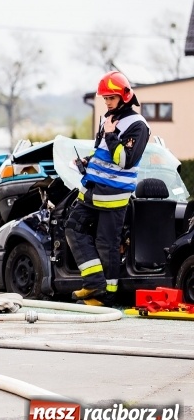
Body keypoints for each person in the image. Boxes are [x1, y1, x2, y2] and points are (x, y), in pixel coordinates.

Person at [65, 71, 150, 307]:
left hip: (114, 197)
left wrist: (112, 135)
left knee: (107, 244)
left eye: (111, 98)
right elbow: (102, 153)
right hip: (92, 192)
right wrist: (86, 161)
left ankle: (106, 296)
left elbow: (125, 160)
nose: (107, 103)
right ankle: (94, 283)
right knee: (72, 228)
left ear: (124, 97)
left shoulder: (138, 126)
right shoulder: (107, 120)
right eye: (105, 99)